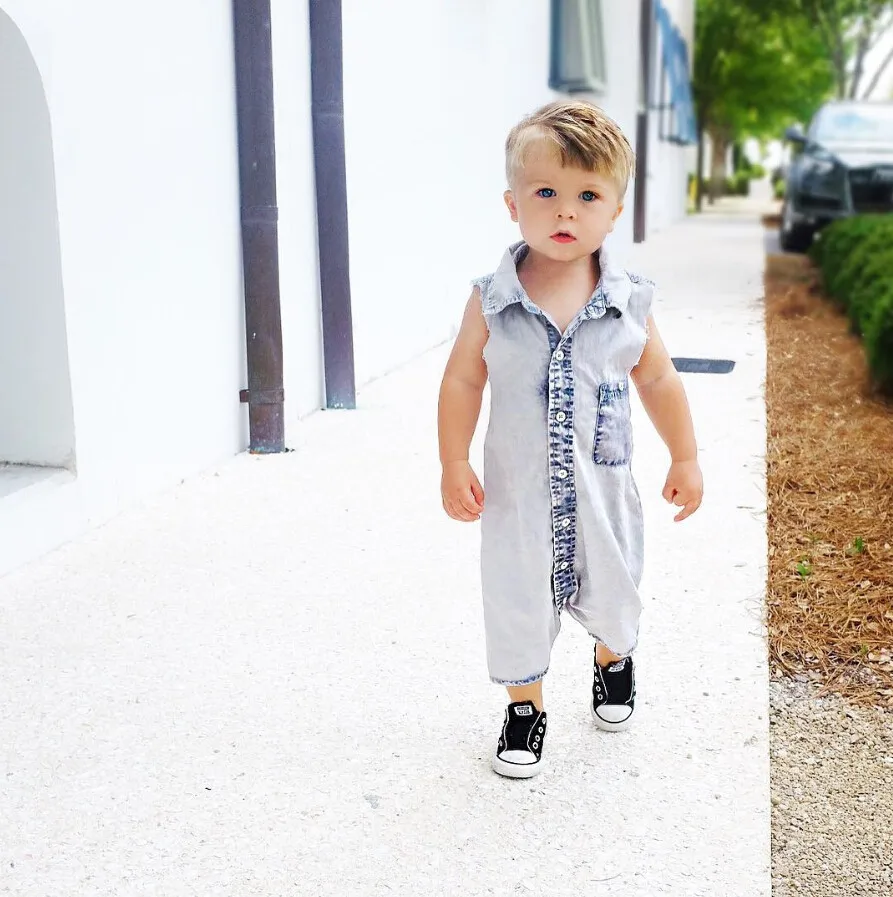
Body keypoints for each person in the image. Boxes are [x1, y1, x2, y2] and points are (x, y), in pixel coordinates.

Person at [437, 100, 703, 779]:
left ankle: (613, 660)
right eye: (544, 193)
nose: (565, 212)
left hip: (602, 492)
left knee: (614, 589)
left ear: (614, 212)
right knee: (515, 600)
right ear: (512, 204)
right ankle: (524, 708)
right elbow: (463, 379)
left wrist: (685, 455)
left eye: (587, 196)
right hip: (517, 498)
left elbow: (659, 378)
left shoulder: (627, 301)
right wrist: (453, 460)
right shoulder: (491, 301)